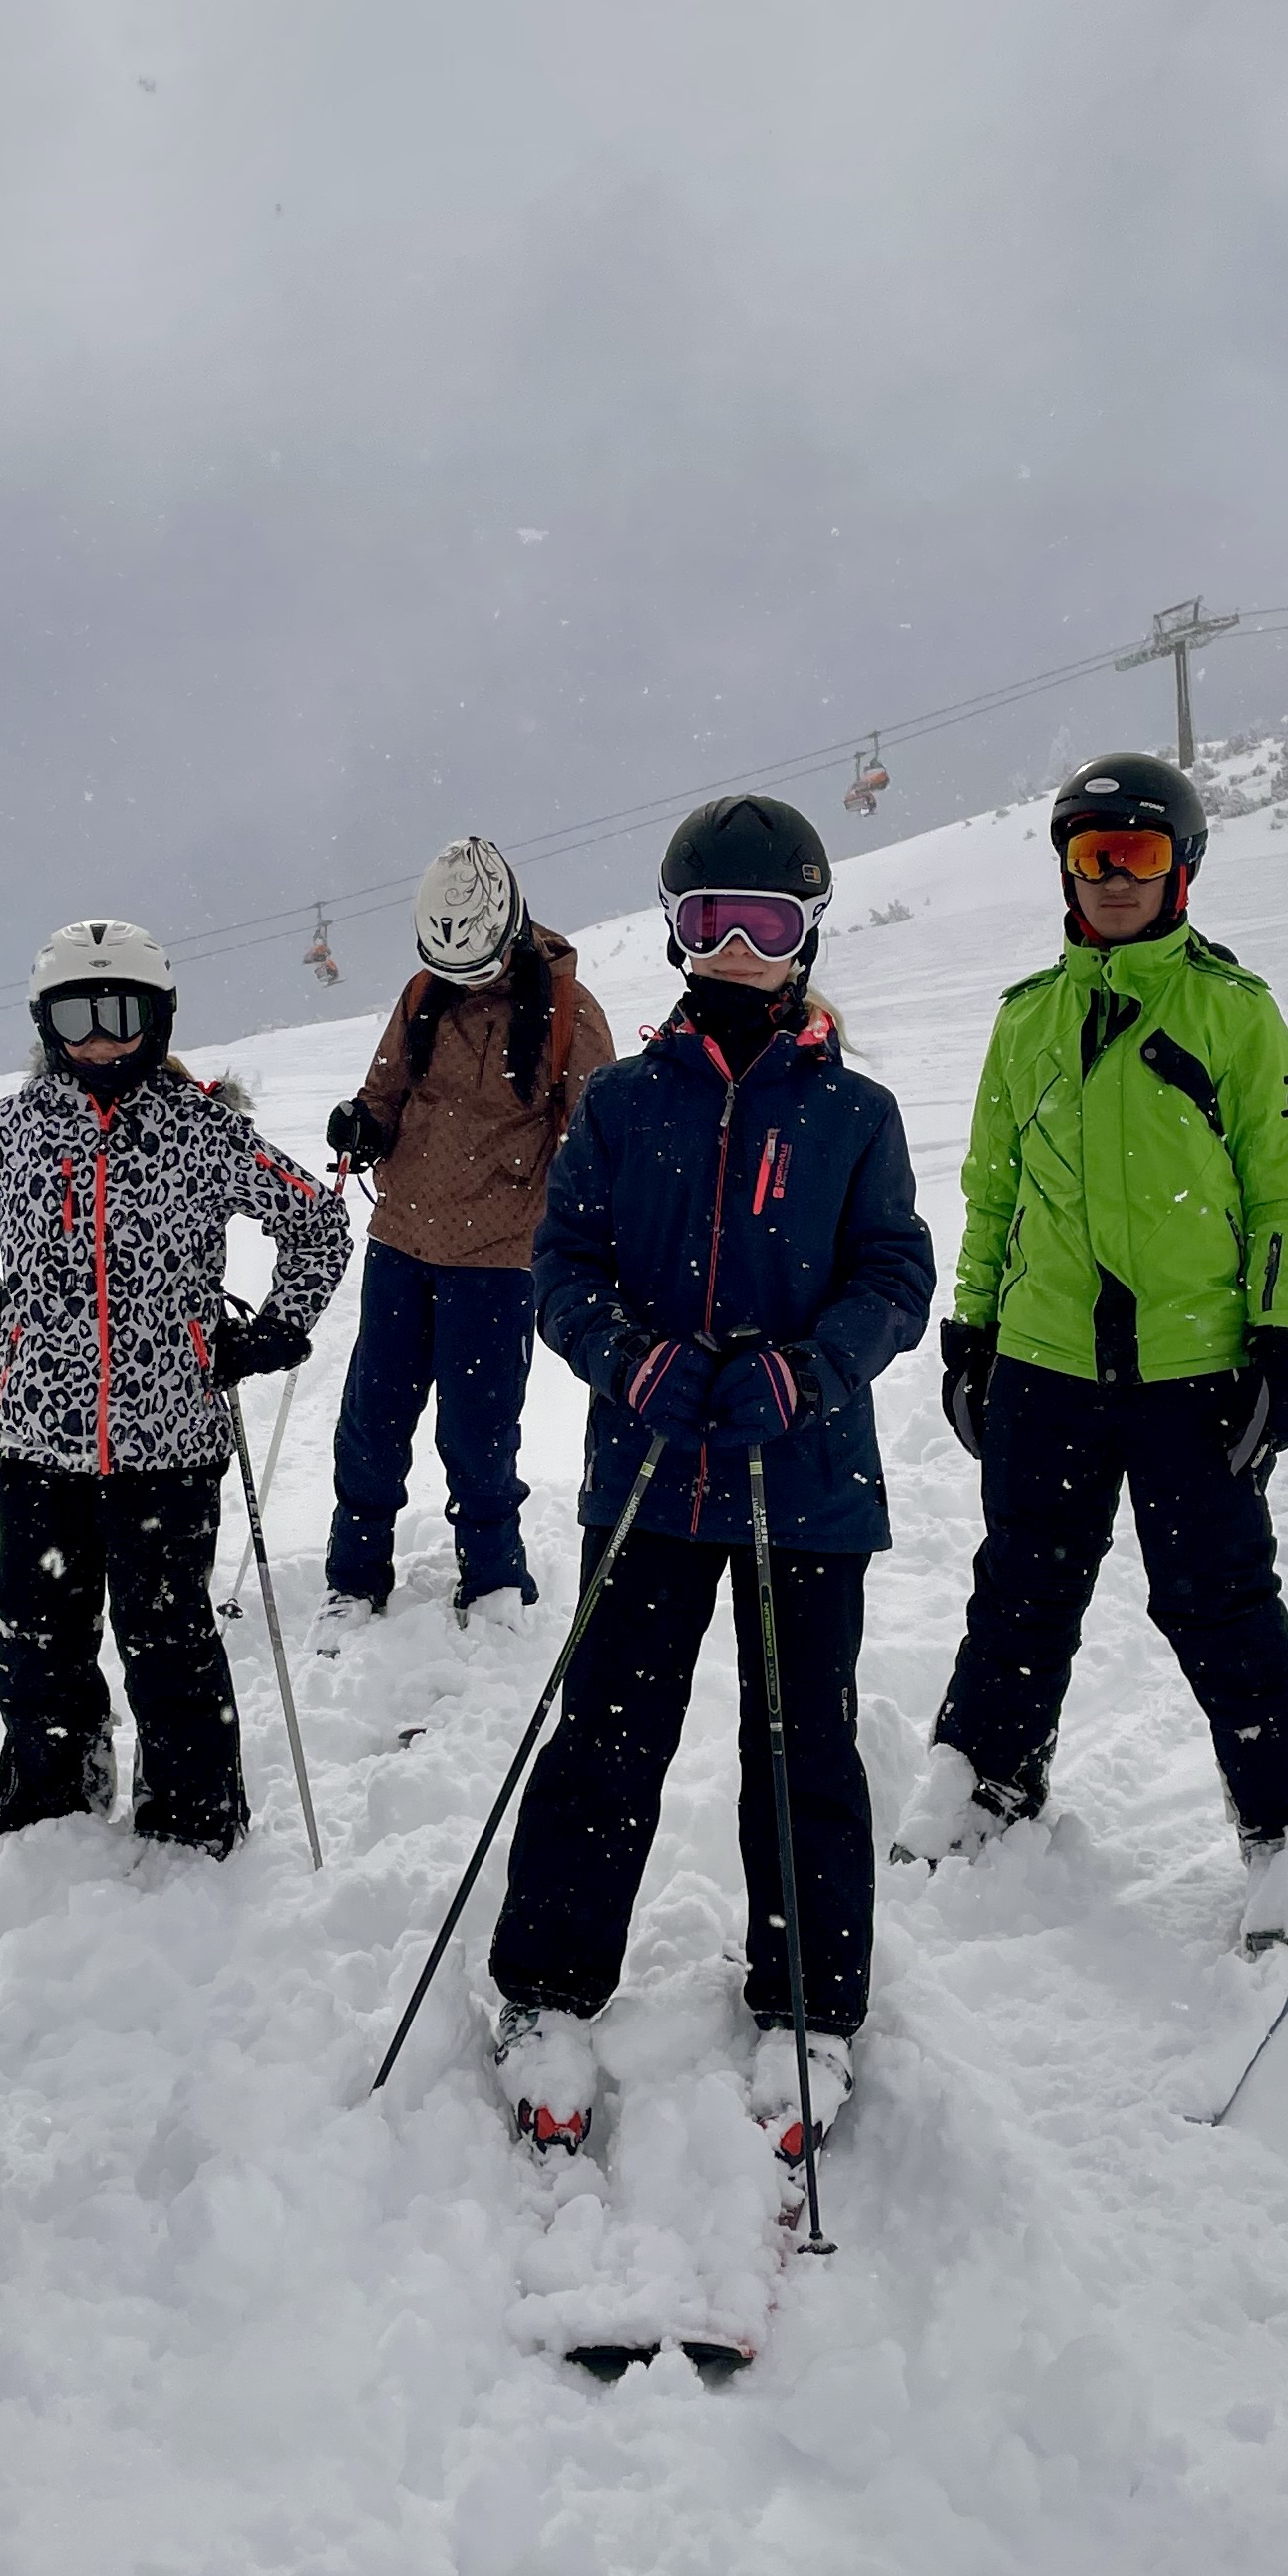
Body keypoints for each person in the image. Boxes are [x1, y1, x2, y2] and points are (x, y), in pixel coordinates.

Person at [483, 795, 934, 2167]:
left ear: (807, 937)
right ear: (676, 933)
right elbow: (562, 1267)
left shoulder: (854, 1113)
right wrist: (631, 1363)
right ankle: (548, 1992)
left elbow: (894, 1275)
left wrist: (813, 1371)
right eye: (710, 921)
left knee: (801, 1746)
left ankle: (811, 2008)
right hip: (651, 1476)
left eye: (766, 923)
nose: (737, 949)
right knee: (608, 1737)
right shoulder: (623, 1106)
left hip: (807, 1483)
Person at [900, 748, 1288, 1949]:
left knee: (1215, 1600)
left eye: (1139, 854)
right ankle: (985, 1786)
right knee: (1022, 1590)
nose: (1113, 877)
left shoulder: (1232, 1013)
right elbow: (992, 1189)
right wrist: (972, 1332)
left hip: (1191, 1371)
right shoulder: (1028, 1019)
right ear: (1066, 868)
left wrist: (1280, 1343)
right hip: (1046, 1364)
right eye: (1092, 854)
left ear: (1182, 870)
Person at [0, 917, 349, 1850]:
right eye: (73, 1018)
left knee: (169, 1644)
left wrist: (276, 1329)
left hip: (171, 1444)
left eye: (119, 1015)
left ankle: (194, 1819)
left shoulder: (201, 1128)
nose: (97, 1040)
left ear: (157, 1019)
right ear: (45, 1026)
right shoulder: (15, 1129)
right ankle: (50, 1812)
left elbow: (319, 1223)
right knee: (35, 1643)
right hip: (39, 1442)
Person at [319, 839, 615, 1629]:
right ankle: (353, 1577)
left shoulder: (569, 1013)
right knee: (373, 1417)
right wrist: (362, 1125)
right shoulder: (424, 993)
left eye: (480, 967)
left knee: (479, 1430)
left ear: (512, 930)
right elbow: (384, 1091)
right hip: (400, 1241)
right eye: (454, 968)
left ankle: (492, 1580)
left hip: (498, 1257)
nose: (468, 981)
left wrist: (579, 1227)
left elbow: (593, 1139)